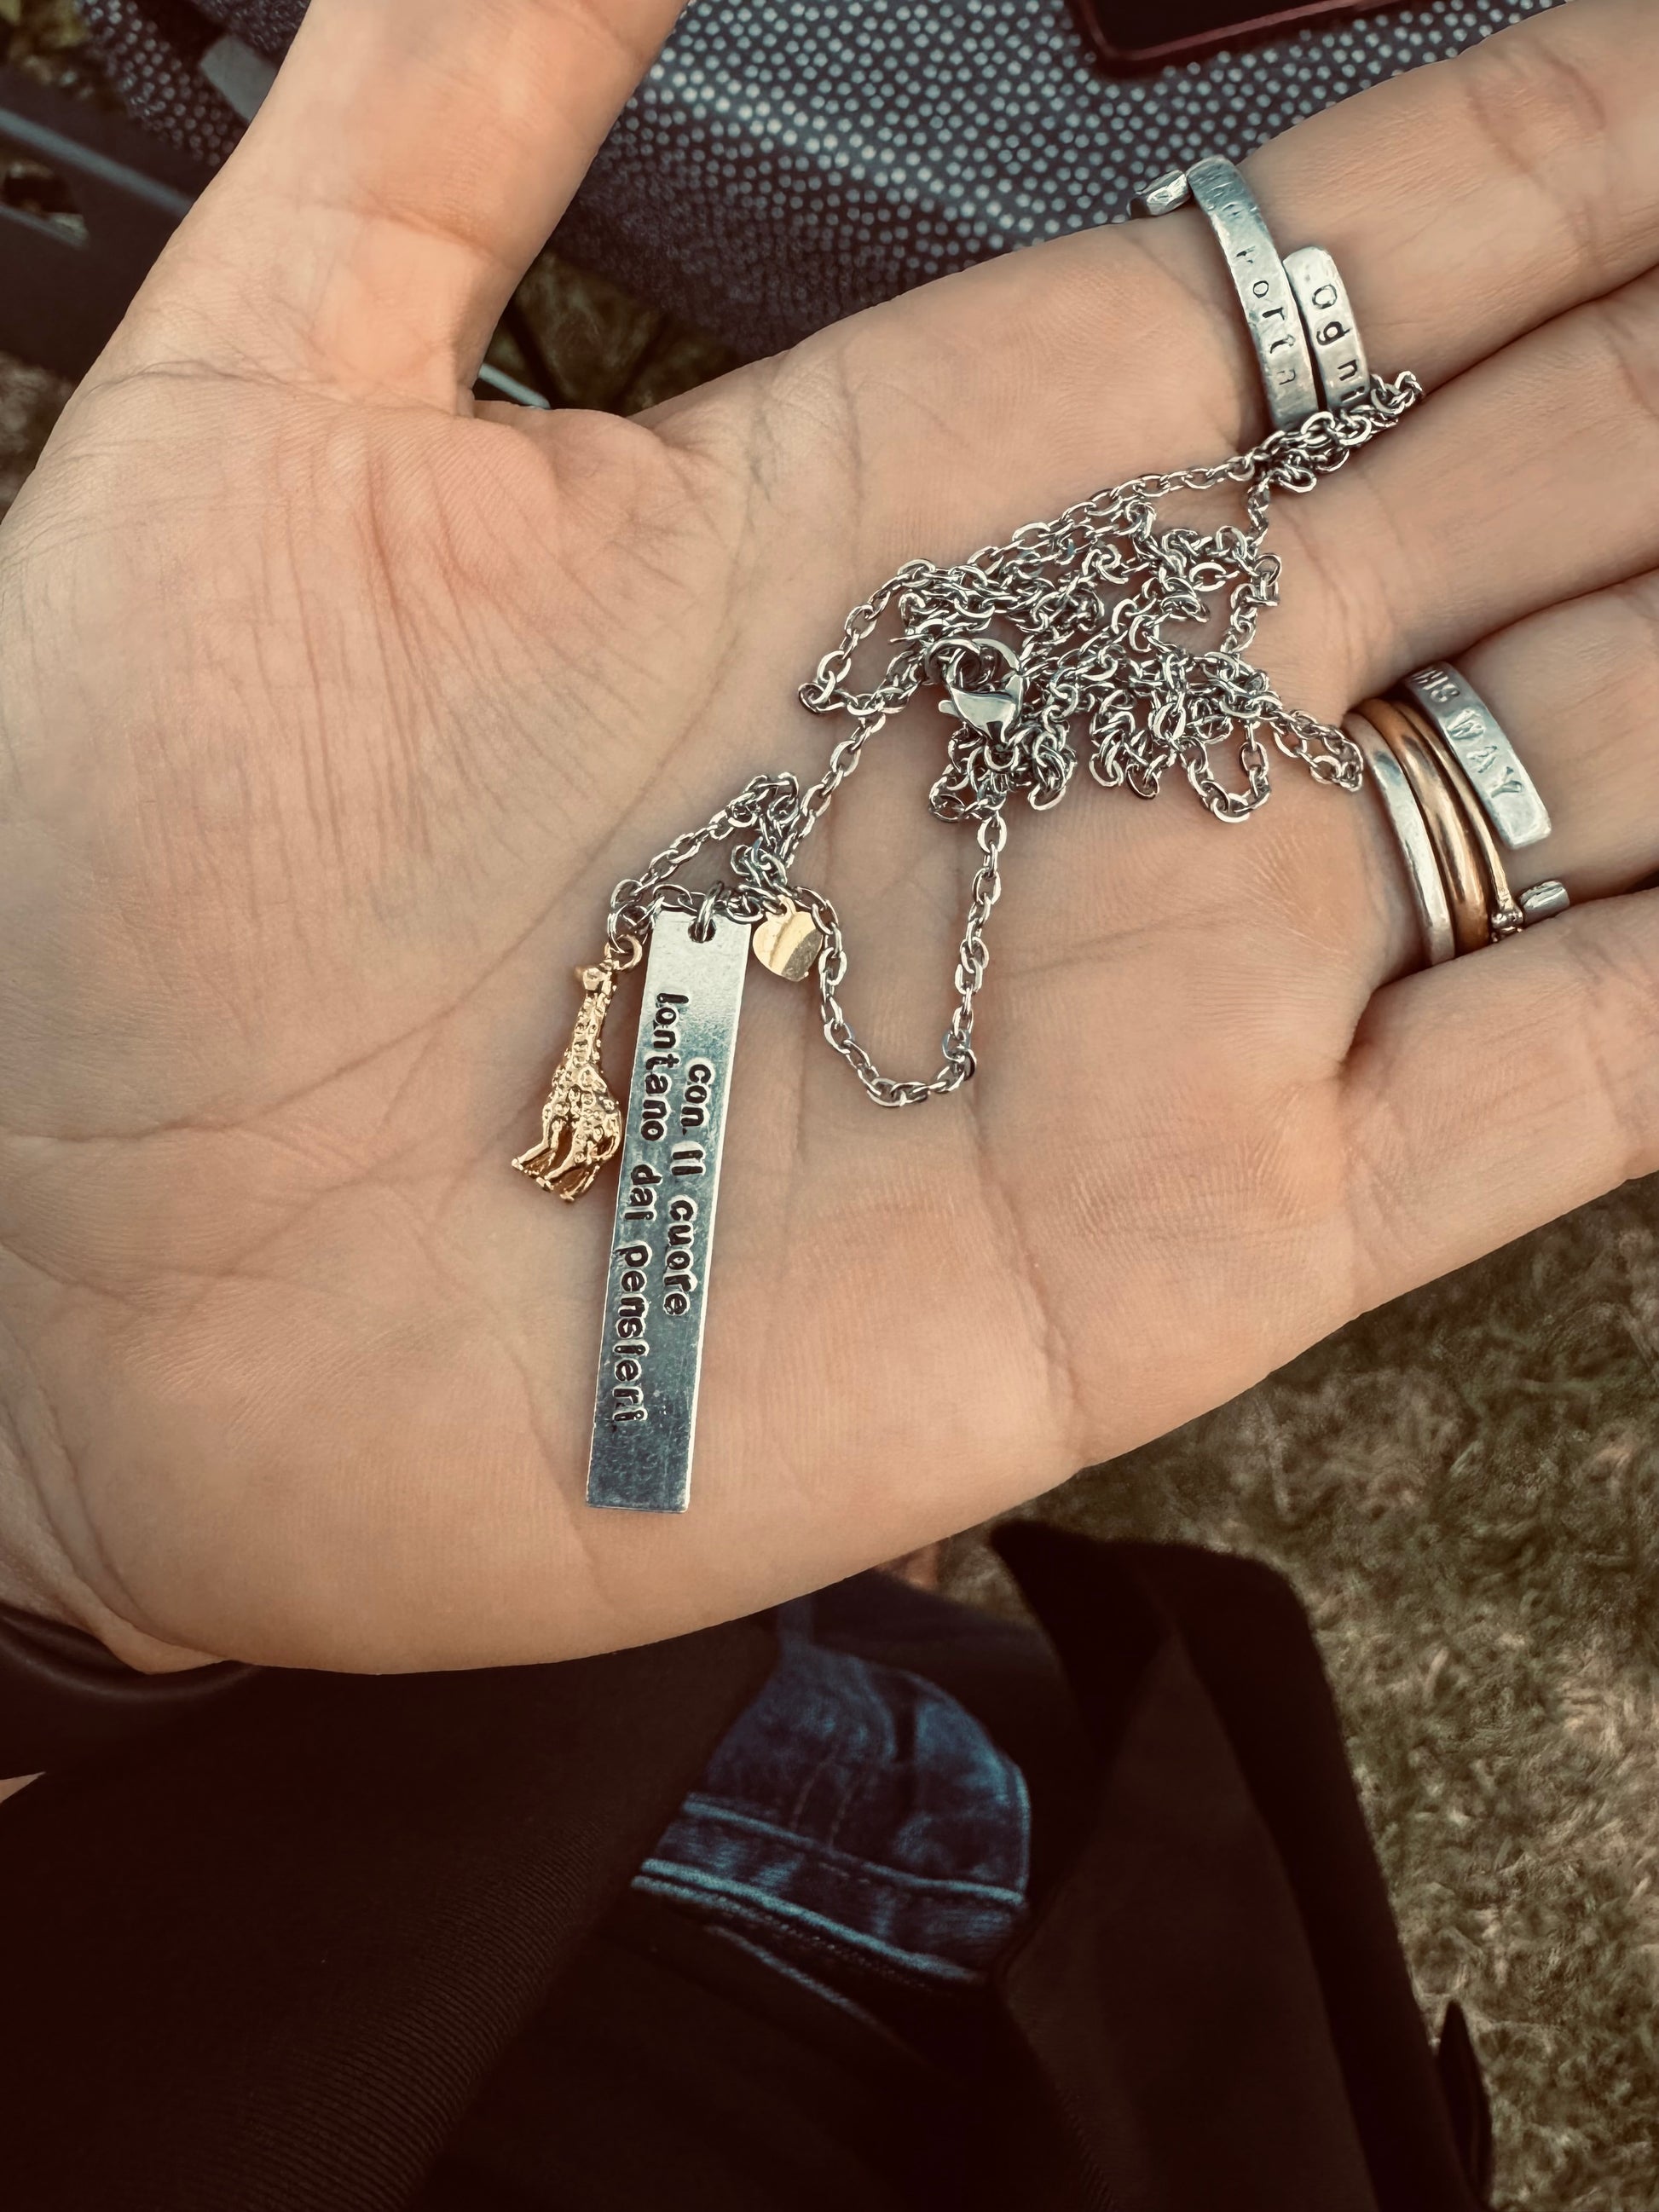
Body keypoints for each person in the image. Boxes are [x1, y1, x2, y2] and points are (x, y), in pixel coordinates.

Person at [0, 0, 1656, 2202]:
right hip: (596, 1963)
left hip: (362, 1792)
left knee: (846, 1679)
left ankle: (826, 1635)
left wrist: (36, 1493)